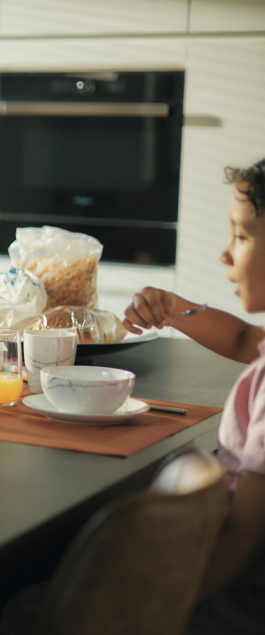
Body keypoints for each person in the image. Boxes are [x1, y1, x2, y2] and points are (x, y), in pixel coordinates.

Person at [123, 158, 265, 633]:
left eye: (241, 236)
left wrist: (152, 610)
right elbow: (245, 339)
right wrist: (170, 307)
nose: (225, 253)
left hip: (238, 598)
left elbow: (245, 540)